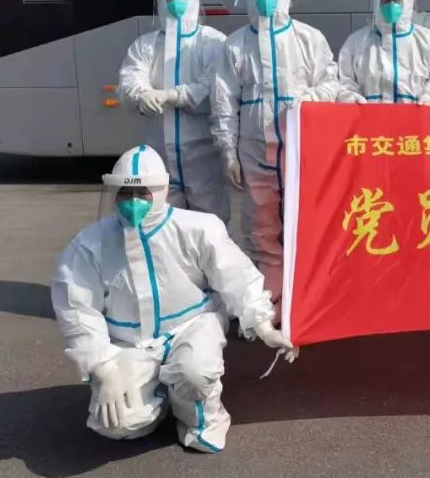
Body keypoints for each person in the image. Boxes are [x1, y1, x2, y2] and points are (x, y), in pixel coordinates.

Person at [51, 145, 296, 453]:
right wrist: (103, 368)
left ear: (161, 191)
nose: (133, 202)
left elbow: (236, 275)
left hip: (191, 325)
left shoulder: (197, 228)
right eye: (125, 193)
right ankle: (156, 396)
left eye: (143, 193)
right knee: (119, 425)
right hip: (129, 340)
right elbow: (77, 308)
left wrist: (263, 324)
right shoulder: (91, 243)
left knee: (195, 372)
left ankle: (200, 418)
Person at [211, 0, 339, 303]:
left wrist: (310, 98)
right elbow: (224, 101)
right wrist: (228, 151)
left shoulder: (309, 38)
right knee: (260, 223)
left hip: (302, 144)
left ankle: (308, 296)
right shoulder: (236, 45)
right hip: (254, 149)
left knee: (307, 217)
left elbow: (331, 82)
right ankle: (269, 296)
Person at [118, 0, 229, 223]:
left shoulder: (213, 42)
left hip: (203, 156)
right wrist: (142, 94)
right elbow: (130, 77)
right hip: (159, 156)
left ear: (194, 1)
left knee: (211, 224)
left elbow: (213, 87)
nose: (175, 2)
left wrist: (173, 96)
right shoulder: (146, 45)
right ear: (159, 2)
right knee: (162, 224)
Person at [337, 0, 430, 107]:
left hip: (415, 118)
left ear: (407, 2)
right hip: (369, 118)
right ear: (377, 2)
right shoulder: (356, 42)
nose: (391, 5)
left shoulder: (427, 41)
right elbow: (345, 81)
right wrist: (349, 97)